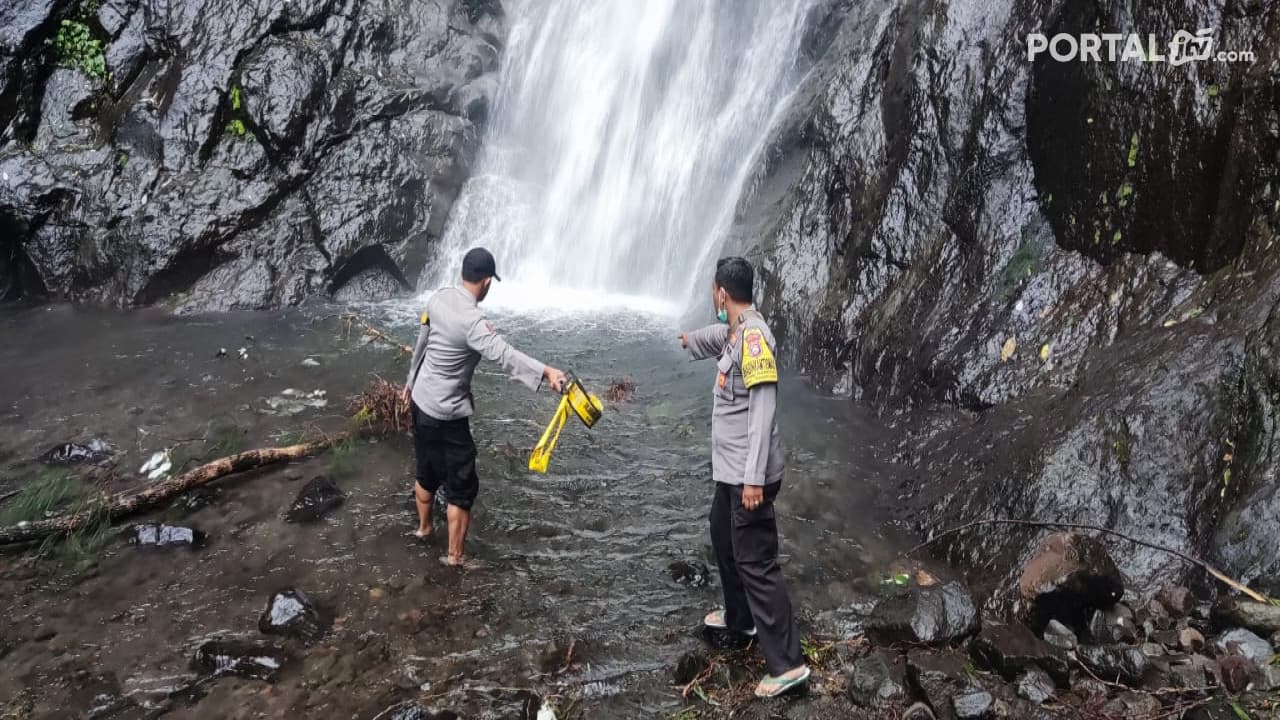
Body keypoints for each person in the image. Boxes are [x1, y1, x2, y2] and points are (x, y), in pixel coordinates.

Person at [678, 256, 810, 698]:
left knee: (757, 562)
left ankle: (787, 665)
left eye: (713, 290)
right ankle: (741, 619)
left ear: (721, 292)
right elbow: (720, 338)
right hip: (731, 472)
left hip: (748, 475)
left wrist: (754, 479)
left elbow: (763, 409)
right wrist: (690, 339)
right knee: (722, 533)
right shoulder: (738, 328)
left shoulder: (754, 338)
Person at [404, 247, 567, 566]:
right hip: (448, 414)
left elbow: (422, 338)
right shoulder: (474, 322)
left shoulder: (438, 297)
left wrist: (409, 382)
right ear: (487, 282)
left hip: (421, 401)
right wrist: (546, 372)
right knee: (461, 488)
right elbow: (505, 355)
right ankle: (455, 558)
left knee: (426, 470)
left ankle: (423, 530)